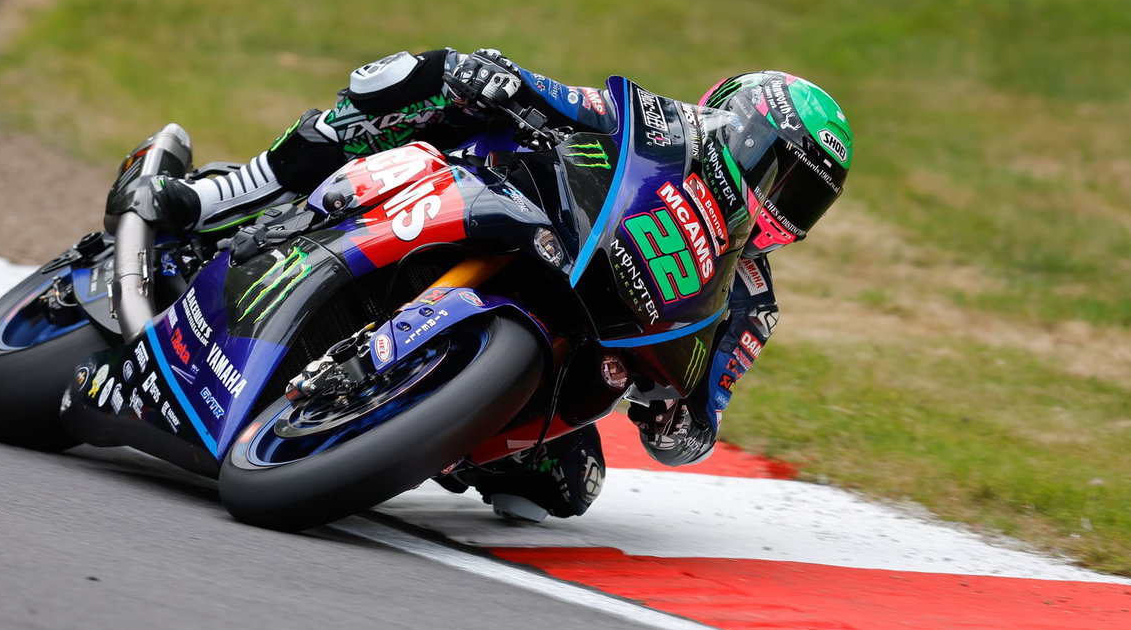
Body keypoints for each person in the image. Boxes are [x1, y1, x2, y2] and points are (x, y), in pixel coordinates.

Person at [144, 49, 852, 523]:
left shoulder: (751, 297)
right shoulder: (665, 128)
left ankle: (403, 421)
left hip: (571, 340)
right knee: (426, 86)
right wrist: (503, 82)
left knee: (565, 492)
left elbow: (705, 410)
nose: (777, 205)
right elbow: (565, 101)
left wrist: (682, 425)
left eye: (804, 201)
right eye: (777, 175)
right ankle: (227, 196)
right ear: (741, 131)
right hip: (506, 214)